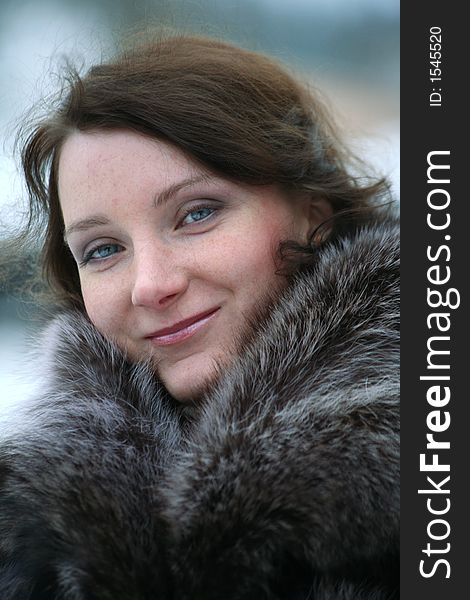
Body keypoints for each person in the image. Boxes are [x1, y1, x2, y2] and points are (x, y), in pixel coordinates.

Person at [0, 34, 399, 599]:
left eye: (196, 214)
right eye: (102, 249)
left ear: (313, 211)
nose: (151, 285)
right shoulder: (32, 518)